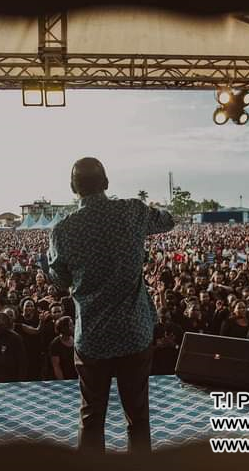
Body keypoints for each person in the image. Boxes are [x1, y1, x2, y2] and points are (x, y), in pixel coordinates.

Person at [48, 157, 175, 454]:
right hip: (134, 332)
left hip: (92, 337)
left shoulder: (62, 230)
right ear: (106, 183)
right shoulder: (131, 211)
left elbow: (58, 277)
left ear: (73, 188)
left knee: (91, 417)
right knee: (138, 416)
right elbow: (168, 220)